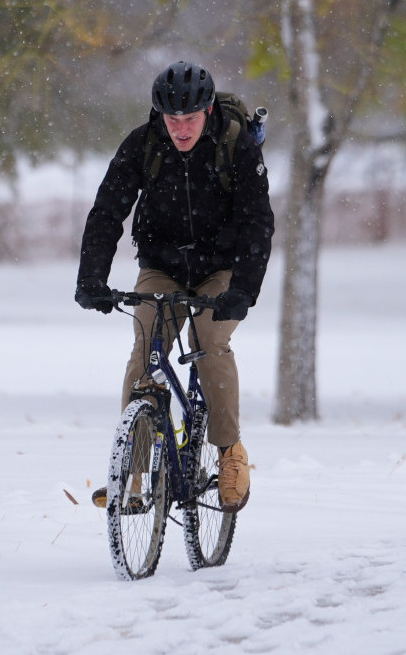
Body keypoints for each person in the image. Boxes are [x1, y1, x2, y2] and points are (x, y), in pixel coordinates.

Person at [74, 61, 275, 512]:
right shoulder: (143, 144)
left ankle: (229, 453)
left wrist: (242, 289)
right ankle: (133, 473)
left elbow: (257, 222)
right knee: (147, 344)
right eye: (172, 119)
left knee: (209, 340)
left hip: (218, 268)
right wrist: (91, 278)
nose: (181, 129)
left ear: (207, 110)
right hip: (162, 265)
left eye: (190, 118)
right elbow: (107, 210)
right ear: (159, 114)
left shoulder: (235, 146)